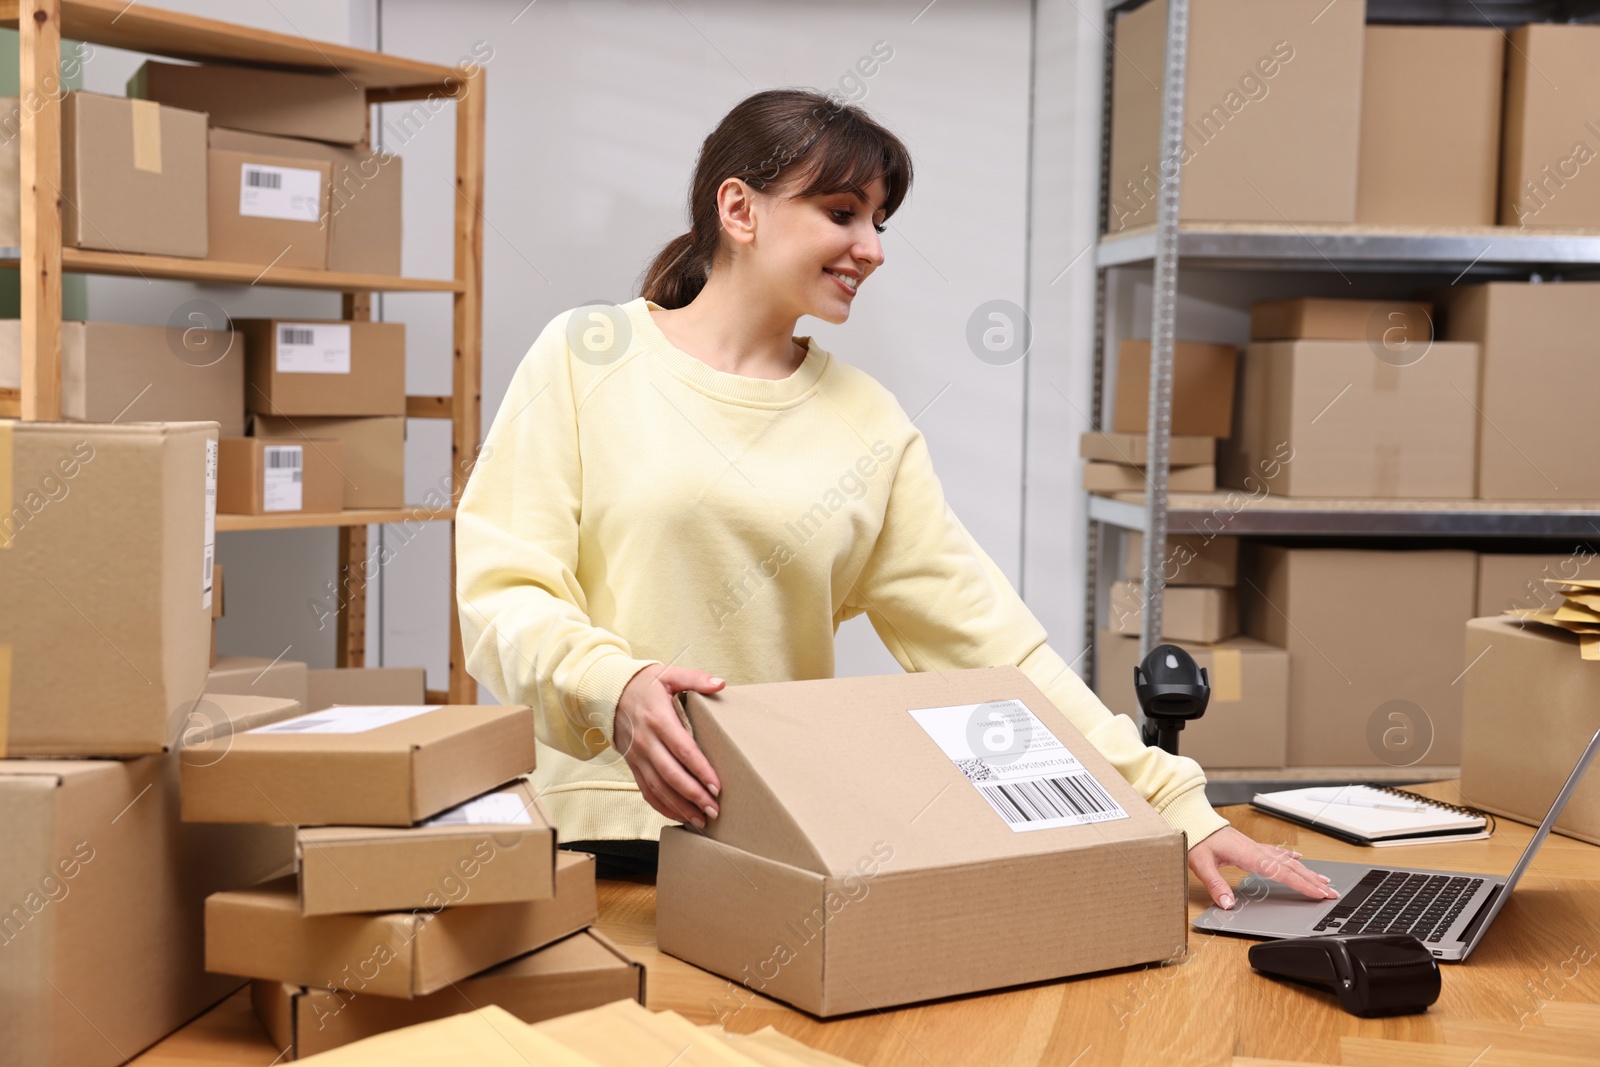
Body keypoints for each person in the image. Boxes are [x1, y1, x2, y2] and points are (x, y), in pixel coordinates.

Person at [454, 87, 1336, 910]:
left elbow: (997, 650)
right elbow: (502, 591)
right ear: (739, 210)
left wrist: (1180, 804)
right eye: (841, 214)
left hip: (761, 848)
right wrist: (615, 683)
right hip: (584, 844)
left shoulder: (865, 422)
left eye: (878, 221)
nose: (871, 248)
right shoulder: (587, 353)